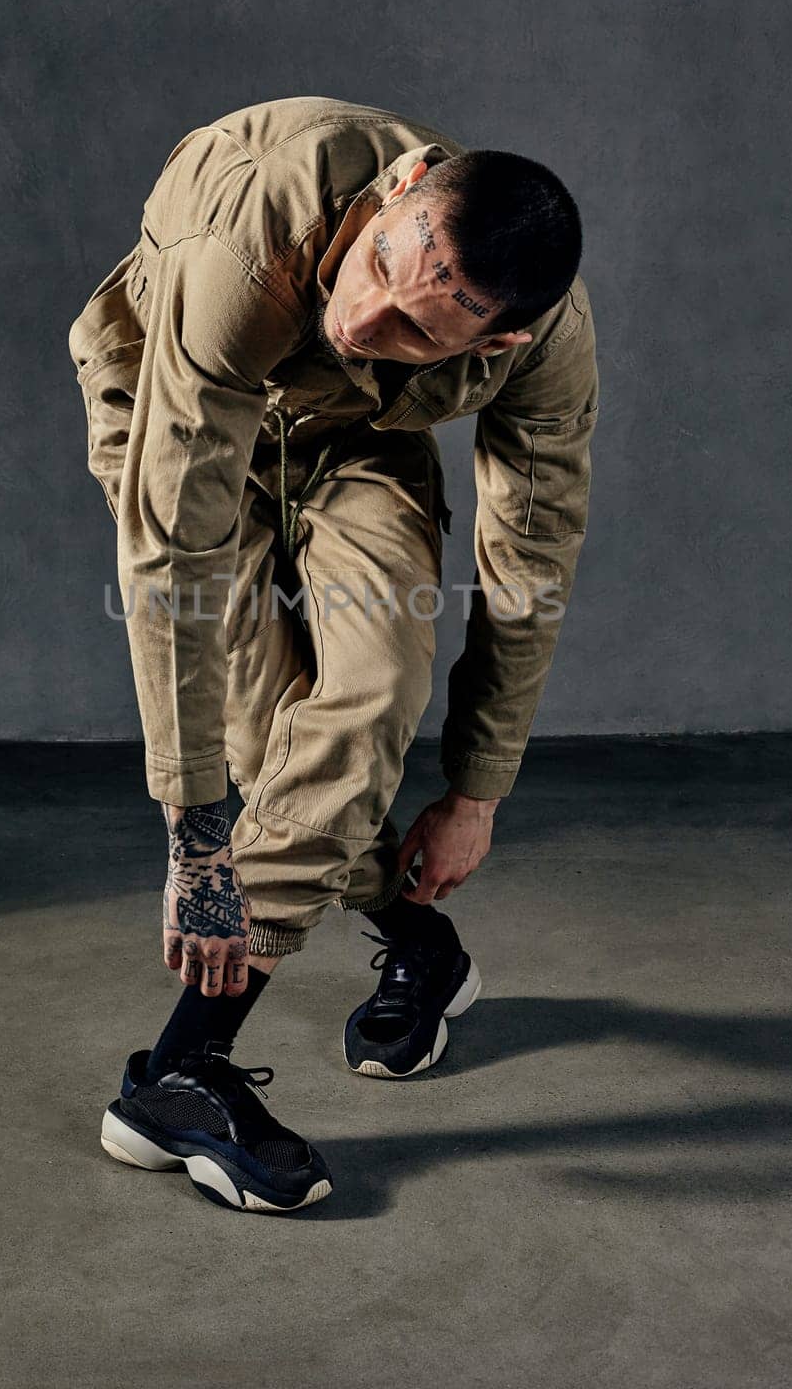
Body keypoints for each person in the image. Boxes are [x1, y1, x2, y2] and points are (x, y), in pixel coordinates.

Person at [67, 95, 599, 1213]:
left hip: (358, 435)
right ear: (402, 189)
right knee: (275, 751)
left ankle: (177, 1071)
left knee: (363, 706)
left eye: (417, 331)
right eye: (374, 271)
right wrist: (197, 836)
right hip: (186, 388)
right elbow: (176, 556)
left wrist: (475, 791)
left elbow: (528, 561)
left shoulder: (539, 346)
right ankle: (420, 945)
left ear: (496, 342)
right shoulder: (246, 244)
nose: (367, 319)